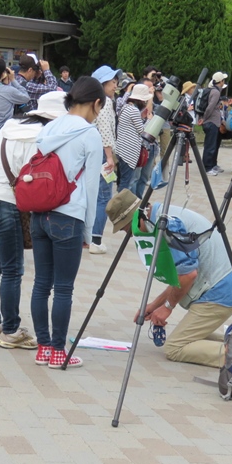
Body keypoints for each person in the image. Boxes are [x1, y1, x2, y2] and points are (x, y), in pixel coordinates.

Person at [106, 190, 232, 368]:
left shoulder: (168, 226)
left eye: (125, 228)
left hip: (219, 291)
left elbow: (188, 275)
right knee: (190, 337)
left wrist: (167, 307)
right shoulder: (161, 215)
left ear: (136, 217)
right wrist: (154, 305)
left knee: (175, 347)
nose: (129, 234)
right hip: (224, 285)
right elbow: (181, 277)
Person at [0, 91, 68, 350]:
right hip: (3, 202)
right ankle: (11, 330)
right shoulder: (42, 136)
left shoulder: (10, 126)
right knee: (12, 269)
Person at [30, 77, 104, 369]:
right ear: (96, 103)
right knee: (63, 288)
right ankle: (59, 352)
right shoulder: (90, 134)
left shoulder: (49, 128)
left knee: (41, 284)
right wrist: (88, 231)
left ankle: (43, 349)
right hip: (69, 216)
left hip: (40, 213)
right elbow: (92, 187)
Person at [89, 65, 122, 254]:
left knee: (91, 195)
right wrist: (110, 157)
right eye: (112, 82)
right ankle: (95, 240)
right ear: (102, 84)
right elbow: (105, 131)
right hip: (103, 153)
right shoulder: (105, 102)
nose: (115, 85)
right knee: (103, 196)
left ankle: (87, 237)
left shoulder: (90, 100)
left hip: (91, 152)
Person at [115, 84, 152, 192]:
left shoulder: (126, 107)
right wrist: (149, 120)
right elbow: (142, 131)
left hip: (121, 148)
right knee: (126, 183)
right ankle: (121, 202)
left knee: (123, 180)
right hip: (129, 152)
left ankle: (120, 199)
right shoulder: (134, 110)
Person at [199, 71, 227, 176]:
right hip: (211, 122)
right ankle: (207, 167)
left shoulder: (213, 90)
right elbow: (210, 107)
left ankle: (212, 165)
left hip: (213, 122)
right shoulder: (215, 92)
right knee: (210, 146)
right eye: (223, 80)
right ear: (221, 81)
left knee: (212, 145)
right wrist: (204, 118)